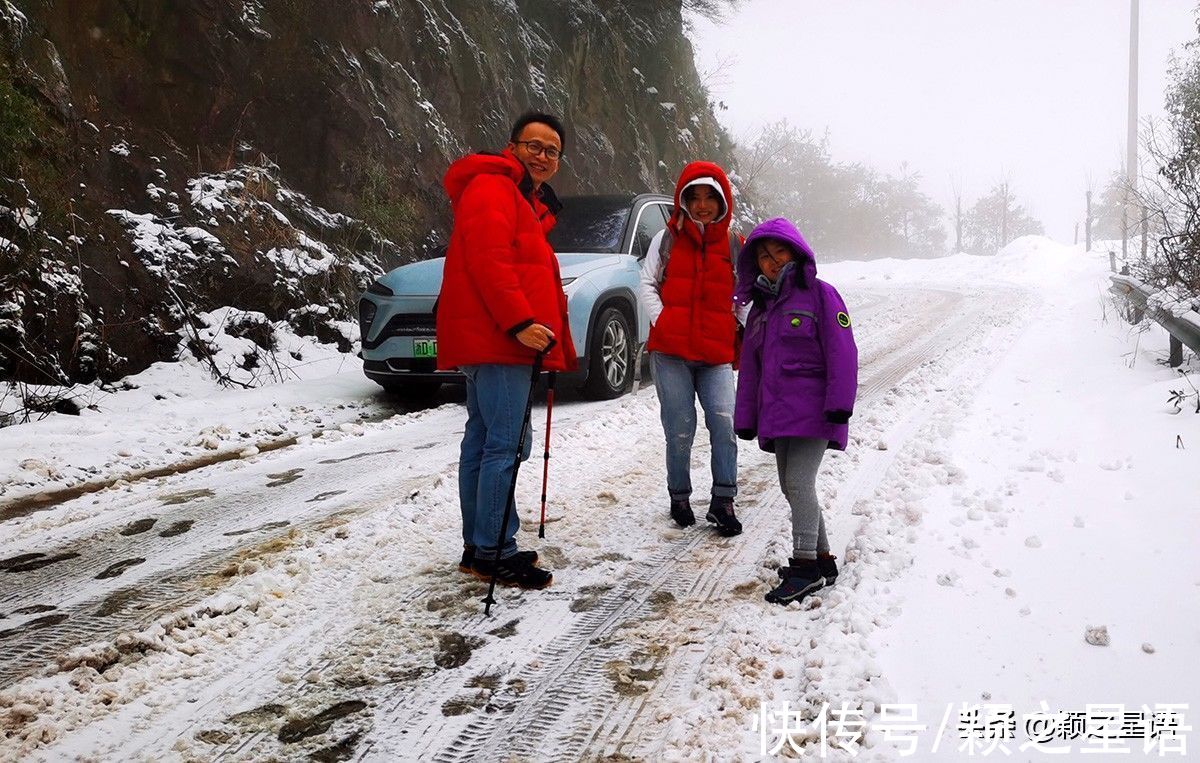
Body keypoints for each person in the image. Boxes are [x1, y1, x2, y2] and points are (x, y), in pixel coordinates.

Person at [436, 111, 576, 590]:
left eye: (551, 150)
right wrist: (519, 322)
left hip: (492, 337)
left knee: (484, 438)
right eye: (533, 145)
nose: (542, 155)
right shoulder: (494, 188)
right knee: (507, 443)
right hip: (500, 339)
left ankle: (481, 544)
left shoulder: (514, 197)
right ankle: (496, 550)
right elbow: (489, 259)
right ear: (511, 147)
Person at [732, 217, 858, 606]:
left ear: (797, 251)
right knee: (791, 486)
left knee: (800, 483)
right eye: (764, 256)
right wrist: (746, 418)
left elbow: (843, 352)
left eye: (779, 252)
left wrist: (840, 404)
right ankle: (822, 559)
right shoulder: (760, 310)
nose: (772, 262)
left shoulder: (821, 295)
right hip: (779, 414)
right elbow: (751, 370)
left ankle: (804, 567)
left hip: (815, 410)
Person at [639, 161, 744, 535]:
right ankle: (680, 496)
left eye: (710, 197)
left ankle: (723, 501)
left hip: (715, 354)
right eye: (694, 196)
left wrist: (741, 324)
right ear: (682, 200)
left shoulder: (734, 244)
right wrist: (662, 319)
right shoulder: (665, 240)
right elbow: (647, 282)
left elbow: (742, 294)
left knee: (724, 422)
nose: (702, 205)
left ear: (722, 201)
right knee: (680, 426)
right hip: (671, 353)